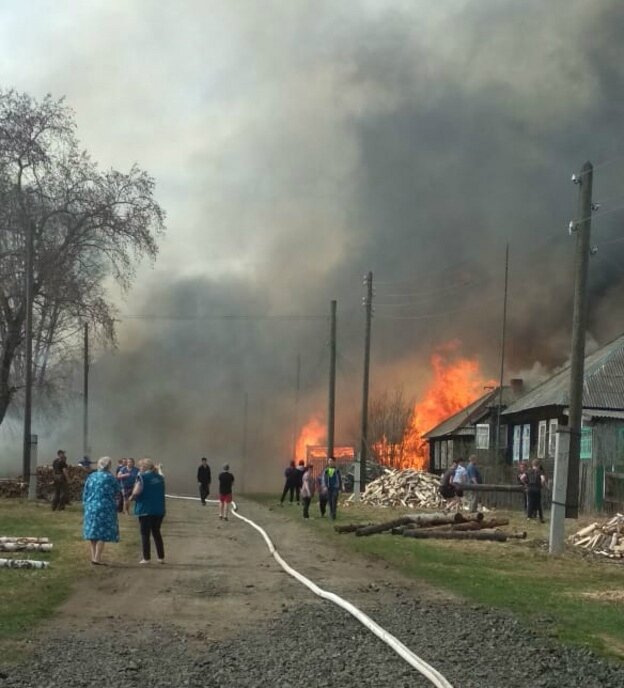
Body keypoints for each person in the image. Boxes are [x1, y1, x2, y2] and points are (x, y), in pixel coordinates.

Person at [82, 456, 121, 565]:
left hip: (91, 506)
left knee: (93, 531)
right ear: (108, 466)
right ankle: (97, 557)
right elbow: (118, 492)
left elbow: (85, 492)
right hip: (105, 507)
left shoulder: (91, 476)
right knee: (102, 533)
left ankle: (93, 556)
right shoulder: (110, 478)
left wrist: (85, 503)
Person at [129, 458, 166, 564]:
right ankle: (161, 557)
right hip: (159, 509)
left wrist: (131, 498)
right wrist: (159, 469)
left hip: (145, 509)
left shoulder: (142, 477)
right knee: (156, 532)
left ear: (144, 467)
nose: (139, 468)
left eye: (140, 466)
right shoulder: (160, 478)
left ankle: (146, 558)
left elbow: (137, 492)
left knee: (145, 534)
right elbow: (162, 475)